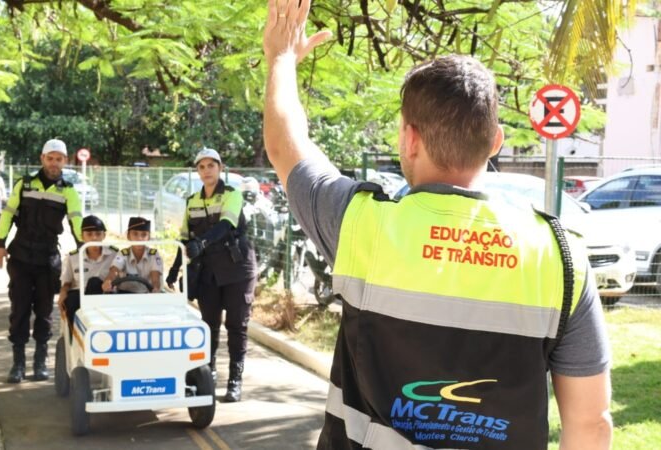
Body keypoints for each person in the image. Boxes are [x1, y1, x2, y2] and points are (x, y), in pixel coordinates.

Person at [262, 2, 612, 449]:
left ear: (409, 138)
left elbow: (286, 146)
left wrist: (281, 58)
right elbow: (591, 426)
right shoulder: (560, 258)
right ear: (495, 141)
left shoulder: (359, 224)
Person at [166, 148, 257, 403]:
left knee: (237, 326)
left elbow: (226, 225)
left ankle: (234, 382)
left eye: (211, 165)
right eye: (202, 166)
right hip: (208, 272)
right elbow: (185, 239)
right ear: (198, 171)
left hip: (237, 269)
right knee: (209, 326)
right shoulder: (191, 201)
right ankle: (209, 374)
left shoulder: (232, 194)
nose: (207, 170)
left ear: (220, 168)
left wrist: (202, 244)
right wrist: (174, 269)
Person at [0, 138, 83, 383]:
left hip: (48, 260)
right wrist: (0, 245)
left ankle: (40, 363)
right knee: (20, 309)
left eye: (59, 159)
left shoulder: (68, 191)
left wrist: (85, 252)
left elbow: (77, 222)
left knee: (44, 312)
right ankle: (18, 364)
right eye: (50, 158)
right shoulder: (24, 185)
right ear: (42, 158)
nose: (54, 163)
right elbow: (8, 215)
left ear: (65, 161)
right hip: (21, 257)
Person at [58, 215, 117, 334]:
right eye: (89, 234)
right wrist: (62, 293)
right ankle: (74, 337)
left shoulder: (114, 254)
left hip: (105, 296)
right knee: (71, 300)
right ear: (81, 237)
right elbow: (67, 282)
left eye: (98, 234)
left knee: (95, 282)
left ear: (104, 236)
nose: (94, 237)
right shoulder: (73, 257)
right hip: (79, 296)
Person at [102, 217, 163, 293]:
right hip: (123, 295)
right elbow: (114, 271)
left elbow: (155, 277)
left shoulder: (154, 255)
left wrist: (156, 288)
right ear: (128, 236)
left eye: (144, 235)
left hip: (146, 296)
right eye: (135, 234)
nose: (139, 238)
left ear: (148, 237)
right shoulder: (123, 254)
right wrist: (108, 281)